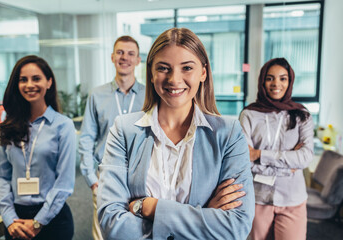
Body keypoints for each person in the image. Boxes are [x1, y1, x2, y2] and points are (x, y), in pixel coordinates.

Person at [97, 27, 255, 239]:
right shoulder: (123, 130)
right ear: (151, 74)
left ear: (203, 73)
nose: (174, 79)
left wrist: (150, 208)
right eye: (164, 68)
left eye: (187, 67)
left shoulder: (228, 134)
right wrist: (205, 215)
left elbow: (236, 227)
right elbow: (112, 225)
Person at [0, 55, 76, 240]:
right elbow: (0, 176)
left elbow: (64, 182)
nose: (30, 84)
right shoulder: (7, 126)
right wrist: (9, 219)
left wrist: (39, 221)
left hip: (53, 220)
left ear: (49, 82)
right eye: (23, 79)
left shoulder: (63, 126)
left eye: (36, 78)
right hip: (16, 221)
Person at [239, 58, 314, 240]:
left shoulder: (302, 115)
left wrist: (259, 155)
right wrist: (288, 163)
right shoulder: (249, 114)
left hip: (292, 198)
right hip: (258, 197)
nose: (276, 84)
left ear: (290, 82)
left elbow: (305, 157)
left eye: (283, 78)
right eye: (270, 78)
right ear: (262, 81)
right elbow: (243, 160)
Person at [79, 35, 145, 240]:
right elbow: (87, 138)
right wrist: (92, 179)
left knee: (139, 229)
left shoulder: (150, 95)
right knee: (102, 232)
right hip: (104, 176)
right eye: (120, 52)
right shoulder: (96, 95)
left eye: (130, 53)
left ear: (138, 60)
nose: (124, 57)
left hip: (140, 176)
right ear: (112, 57)